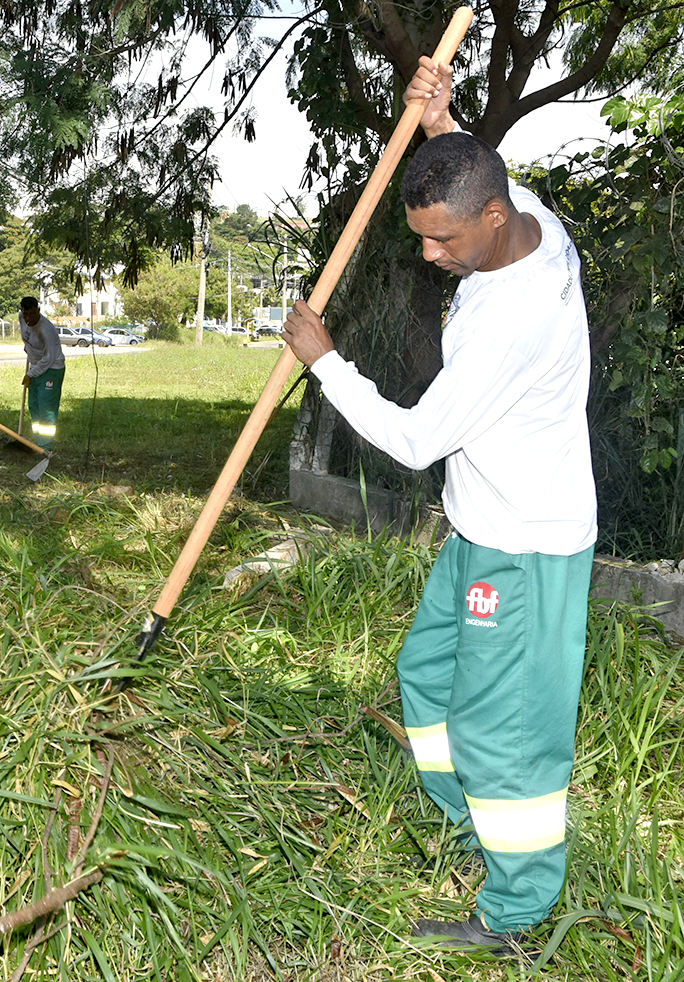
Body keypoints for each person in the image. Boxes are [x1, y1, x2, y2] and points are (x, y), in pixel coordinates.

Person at [283, 57, 596, 954]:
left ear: (491, 222)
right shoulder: (529, 216)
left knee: (508, 737)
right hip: (479, 529)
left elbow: (419, 441)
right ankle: (477, 826)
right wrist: (441, 120)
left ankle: (519, 913)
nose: (430, 256)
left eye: (443, 242)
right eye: (423, 237)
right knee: (427, 679)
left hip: (525, 551)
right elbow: (478, 165)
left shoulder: (512, 319)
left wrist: (326, 360)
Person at [18, 296, 65, 450]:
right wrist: (29, 349)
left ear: (38, 311)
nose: (28, 318)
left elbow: (49, 359)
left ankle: (47, 445)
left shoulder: (46, 330)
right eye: (25, 314)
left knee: (46, 408)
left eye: (32, 314)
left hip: (52, 368)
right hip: (35, 366)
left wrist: (31, 374)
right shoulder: (22, 318)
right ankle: (38, 442)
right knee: (34, 405)